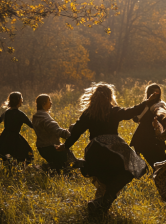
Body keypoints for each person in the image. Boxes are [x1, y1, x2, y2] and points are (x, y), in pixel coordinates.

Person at [56, 83, 159, 216]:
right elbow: (130, 112)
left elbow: (76, 132)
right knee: (137, 167)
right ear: (110, 97)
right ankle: (106, 199)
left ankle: (99, 204)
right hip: (115, 149)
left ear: (93, 97)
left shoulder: (88, 113)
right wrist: (146, 102)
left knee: (104, 179)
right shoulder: (114, 111)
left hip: (95, 150)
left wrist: (65, 146)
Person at [32, 94, 81, 172]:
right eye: (49, 101)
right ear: (43, 103)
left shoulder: (36, 116)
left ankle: (45, 168)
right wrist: (70, 134)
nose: (51, 103)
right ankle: (42, 168)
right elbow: (57, 130)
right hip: (51, 148)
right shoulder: (45, 118)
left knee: (57, 166)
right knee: (71, 163)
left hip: (42, 148)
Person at [130, 83, 166, 169]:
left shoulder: (160, 105)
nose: (155, 94)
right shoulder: (144, 105)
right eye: (153, 92)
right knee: (155, 164)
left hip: (155, 137)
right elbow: (135, 118)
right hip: (143, 138)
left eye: (157, 92)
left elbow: (163, 115)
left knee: (163, 162)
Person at [0, 92, 34, 164]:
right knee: (27, 153)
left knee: (6, 153)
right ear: (19, 100)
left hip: (5, 136)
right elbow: (31, 125)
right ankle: (18, 167)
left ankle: (3, 160)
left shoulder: (6, 112)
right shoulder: (21, 114)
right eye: (21, 98)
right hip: (15, 137)